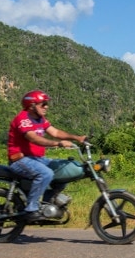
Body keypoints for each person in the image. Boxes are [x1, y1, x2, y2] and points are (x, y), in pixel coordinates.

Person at [7, 90, 86, 221]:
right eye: (43, 104)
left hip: (37, 159)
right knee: (46, 174)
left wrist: (77, 138)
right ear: (32, 105)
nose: (46, 106)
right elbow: (33, 138)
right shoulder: (23, 119)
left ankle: (46, 205)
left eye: (46, 104)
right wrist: (58, 144)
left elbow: (54, 132)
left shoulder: (40, 119)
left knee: (63, 171)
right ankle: (31, 209)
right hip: (20, 159)